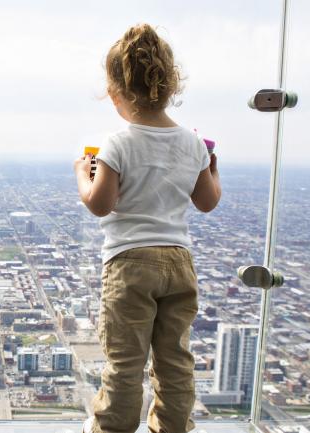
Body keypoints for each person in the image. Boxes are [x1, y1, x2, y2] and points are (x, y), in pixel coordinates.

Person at [74, 23, 221, 433]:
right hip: (179, 263)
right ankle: (172, 427)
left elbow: (101, 205)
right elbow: (207, 201)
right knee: (175, 358)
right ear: (171, 87)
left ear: (116, 93)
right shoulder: (192, 144)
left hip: (130, 264)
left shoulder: (117, 144)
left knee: (125, 360)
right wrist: (212, 169)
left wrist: (82, 177)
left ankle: (112, 428)